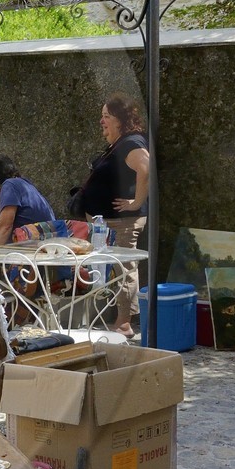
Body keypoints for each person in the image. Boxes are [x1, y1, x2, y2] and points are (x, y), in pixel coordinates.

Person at [76, 92, 152, 334]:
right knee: (114, 269)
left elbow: (146, 169)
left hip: (122, 222)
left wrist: (136, 201)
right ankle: (116, 317)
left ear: (120, 119)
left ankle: (124, 322)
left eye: (106, 116)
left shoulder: (131, 143)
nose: (102, 121)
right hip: (106, 222)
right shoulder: (120, 143)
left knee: (124, 268)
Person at [0, 155, 56, 246]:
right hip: (48, 242)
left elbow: (5, 227)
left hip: (35, 249)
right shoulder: (25, 183)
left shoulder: (9, 186)